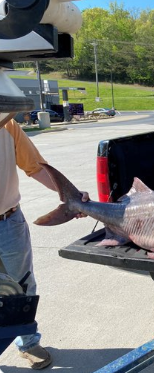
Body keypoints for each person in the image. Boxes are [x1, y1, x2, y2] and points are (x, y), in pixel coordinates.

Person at [0, 117, 88, 370]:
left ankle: (27, 342)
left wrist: (70, 195)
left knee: (22, 284)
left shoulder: (7, 125)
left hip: (8, 220)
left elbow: (36, 167)